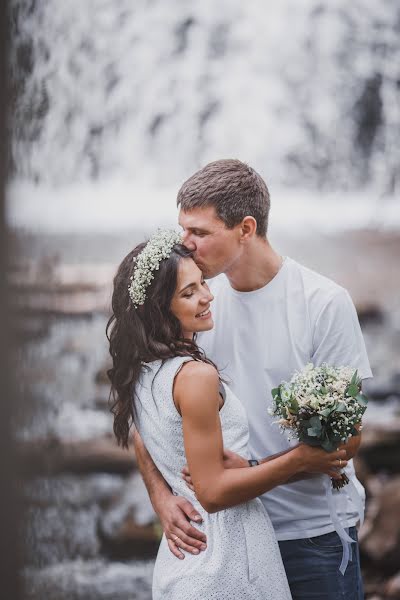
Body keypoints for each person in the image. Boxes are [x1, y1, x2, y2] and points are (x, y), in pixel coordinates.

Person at [133, 159, 372, 600]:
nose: (182, 245)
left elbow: (348, 439)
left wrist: (262, 469)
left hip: (311, 535)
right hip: (223, 542)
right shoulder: (197, 304)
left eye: (199, 233)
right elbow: (147, 410)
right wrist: (162, 499)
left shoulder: (323, 304)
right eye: (182, 229)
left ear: (245, 229)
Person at [107, 229, 348, 599]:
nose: (206, 296)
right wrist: (300, 459)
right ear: (158, 309)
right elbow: (214, 492)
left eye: (202, 282)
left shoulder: (142, 367)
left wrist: (164, 495)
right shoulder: (196, 375)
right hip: (226, 561)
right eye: (188, 293)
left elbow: (147, 433)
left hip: (182, 562)